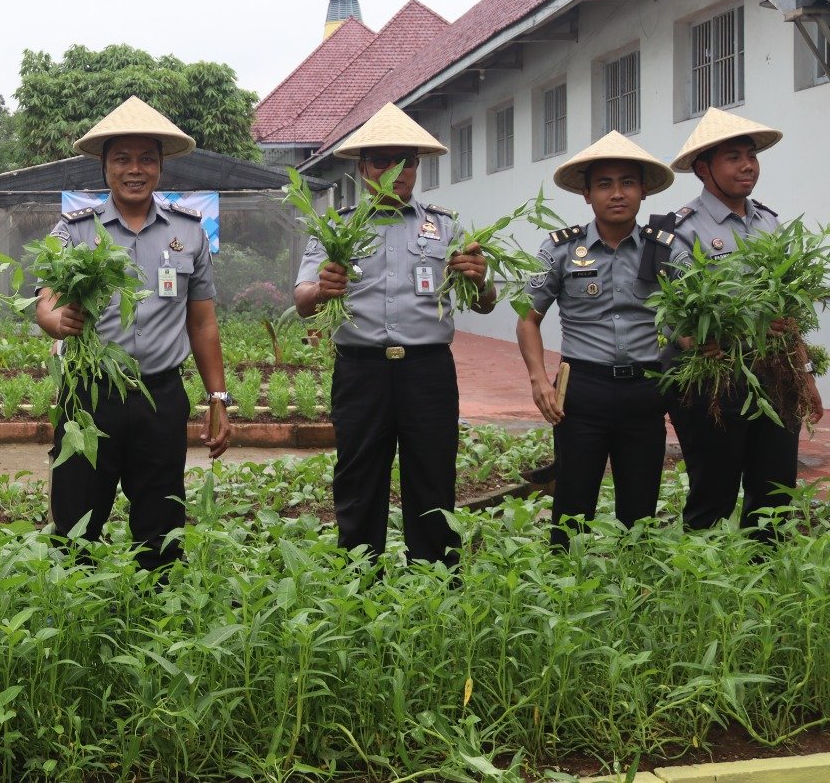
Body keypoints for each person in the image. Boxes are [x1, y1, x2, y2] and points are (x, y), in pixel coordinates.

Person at [33, 96, 231, 572]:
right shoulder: (73, 231)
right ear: (105, 169)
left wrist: (218, 396)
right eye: (122, 159)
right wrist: (56, 320)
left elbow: (202, 322)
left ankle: (156, 618)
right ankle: (77, 617)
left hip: (160, 398)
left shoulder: (189, 232)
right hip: (90, 398)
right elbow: (45, 300)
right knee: (76, 521)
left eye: (146, 159)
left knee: (161, 524)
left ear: (160, 168)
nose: (134, 169)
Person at [294, 103, 492, 567]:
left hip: (427, 371)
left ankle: (437, 575)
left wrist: (480, 279)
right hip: (361, 373)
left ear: (417, 167)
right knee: (359, 476)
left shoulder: (445, 227)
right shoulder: (337, 228)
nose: (393, 171)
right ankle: (360, 576)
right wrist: (323, 289)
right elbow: (302, 300)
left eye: (404, 161)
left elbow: (485, 301)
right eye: (381, 161)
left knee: (433, 473)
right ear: (363, 169)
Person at [665, 108, 824, 534]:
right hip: (716, 381)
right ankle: (701, 581)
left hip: (774, 378)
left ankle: (765, 582)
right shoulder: (678, 231)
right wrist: (693, 343)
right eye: (733, 156)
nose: (748, 165)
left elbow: (786, 312)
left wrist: (805, 374)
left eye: (751, 155)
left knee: (774, 494)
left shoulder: (769, 223)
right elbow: (670, 311)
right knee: (712, 493)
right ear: (703, 168)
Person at [516, 131, 676, 547]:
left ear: (643, 192)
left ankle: (636, 584)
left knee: (640, 506)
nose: (617, 193)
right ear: (587, 194)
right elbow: (527, 318)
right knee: (572, 501)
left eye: (628, 182)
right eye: (605, 184)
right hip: (582, 393)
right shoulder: (559, 251)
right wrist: (537, 378)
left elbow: (685, 322)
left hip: (646, 389)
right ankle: (564, 585)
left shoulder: (665, 251)